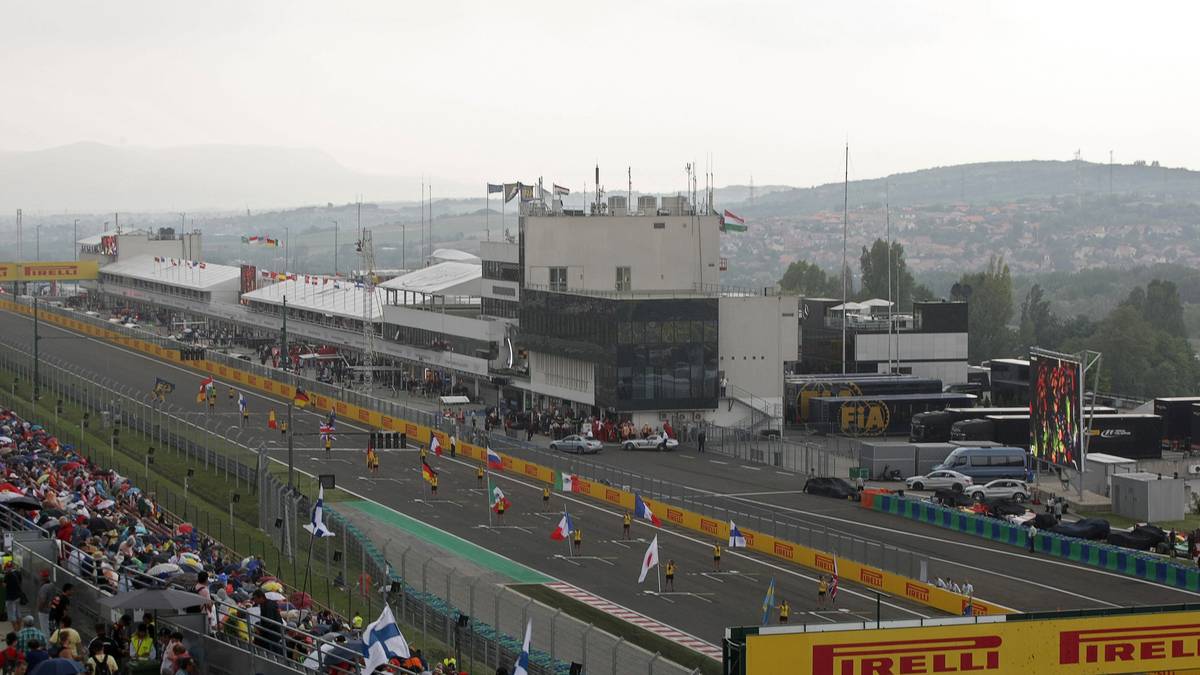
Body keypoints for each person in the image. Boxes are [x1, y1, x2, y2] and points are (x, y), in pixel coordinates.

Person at [4, 564, 24, 631]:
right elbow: (20, 582)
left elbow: (4, 585)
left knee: (12, 615)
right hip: (17, 596)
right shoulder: (17, 573)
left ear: (7, 568)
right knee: (18, 614)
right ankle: (19, 630)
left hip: (10, 598)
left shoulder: (7, 575)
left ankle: (16, 631)